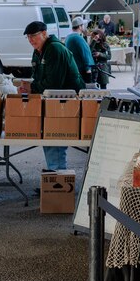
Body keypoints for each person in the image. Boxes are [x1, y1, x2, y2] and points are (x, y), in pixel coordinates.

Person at [25, 20, 84, 170]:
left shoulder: (54, 49)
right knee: (50, 139)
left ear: (44, 34)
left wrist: (31, 88)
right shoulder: (39, 51)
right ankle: (53, 178)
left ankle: (58, 181)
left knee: (55, 139)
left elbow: (53, 83)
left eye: (33, 35)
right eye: (28, 37)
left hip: (65, 102)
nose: (30, 40)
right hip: (53, 101)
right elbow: (38, 78)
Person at [65, 16, 95, 85]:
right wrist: (88, 71)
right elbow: (85, 55)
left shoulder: (68, 37)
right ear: (80, 26)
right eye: (83, 25)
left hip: (72, 70)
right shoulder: (78, 38)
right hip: (81, 72)